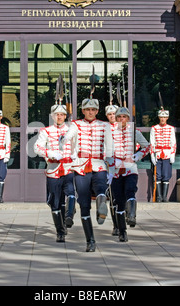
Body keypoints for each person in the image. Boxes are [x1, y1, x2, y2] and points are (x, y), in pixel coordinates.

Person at [62, 98, 114, 252]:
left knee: (100, 187)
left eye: (93, 110)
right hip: (81, 165)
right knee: (84, 204)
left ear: (97, 111)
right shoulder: (76, 124)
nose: (90, 112)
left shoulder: (104, 125)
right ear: (83, 111)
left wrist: (111, 167)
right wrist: (64, 140)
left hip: (98, 164)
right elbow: (69, 135)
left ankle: (101, 208)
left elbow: (109, 148)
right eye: (87, 109)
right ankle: (90, 240)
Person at [34, 103, 75, 243]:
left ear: (65, 116)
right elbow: (37, 147)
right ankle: (60, 231)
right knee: (55, 202)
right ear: (53, 116)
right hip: (53, 169)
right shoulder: (46, 131)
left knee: (70, 193)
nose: (60, 117)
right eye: (57, 115)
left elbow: (78, 145)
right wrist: (49, 153)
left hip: (69, 168)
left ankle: (69, 218)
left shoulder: (71, 129)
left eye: (62, 114)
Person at [110, 107, 150, 242]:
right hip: (115, 171)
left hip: (130, 168)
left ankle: (132, 215)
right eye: (119, 117)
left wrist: (138, 155)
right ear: (116, 119)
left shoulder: (134, 132)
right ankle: (122, 231)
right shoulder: (110, 132)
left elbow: (147, 146)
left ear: (128, 119)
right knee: (118, 201)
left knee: (130, 190)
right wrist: (110, 159)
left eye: (124, 117)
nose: (122, 119)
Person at [150, 108, 177, 202]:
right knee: (158, 175)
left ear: (167, 118)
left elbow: (173, 143)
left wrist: (172, 155)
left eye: (164, 117)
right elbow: (152, 143)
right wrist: (152, 156)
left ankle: (165, 197)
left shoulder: (171, 128)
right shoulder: (154, 128)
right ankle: (159, 196)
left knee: (166, 175)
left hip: (167, 154)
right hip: (157, 154)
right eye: (161, 117)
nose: (162, 119)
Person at [105, 104, 120, 237]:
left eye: (114, 114)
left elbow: (135, 143)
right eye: (109, 114)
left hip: (123, 164)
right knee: (112, 196)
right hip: (110, 165)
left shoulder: (124, 126)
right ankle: (116, 225)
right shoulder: (104, 128)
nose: (112, 116)